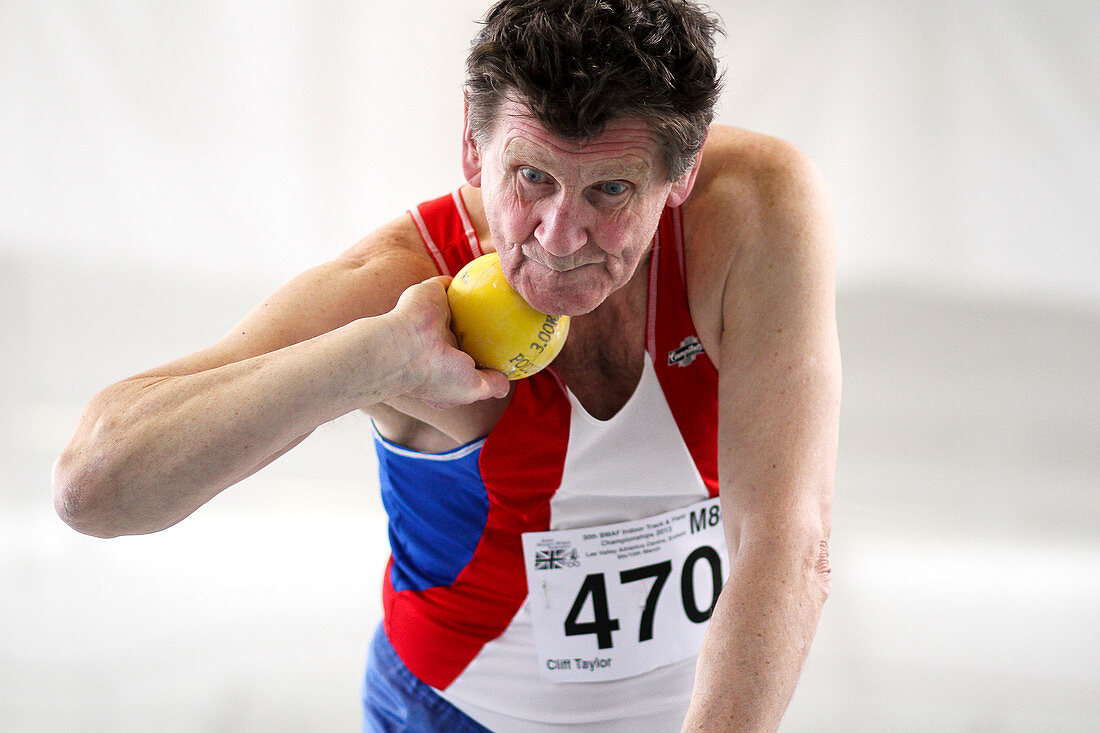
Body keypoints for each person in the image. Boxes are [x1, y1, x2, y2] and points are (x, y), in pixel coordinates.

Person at [52, 0, 840, 730]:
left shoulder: (755, 212)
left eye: (609, 189)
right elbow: (93, 486)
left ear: (684, 171)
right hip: (456, 712)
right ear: (472, 139)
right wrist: (368, 361)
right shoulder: (401, 280)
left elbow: (785, 537)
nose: (561, 237)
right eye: (532, 176)